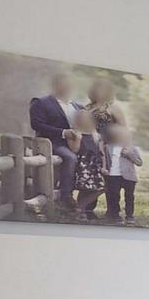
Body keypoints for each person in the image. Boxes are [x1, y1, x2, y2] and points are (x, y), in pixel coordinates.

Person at [27, 74, 80, 203]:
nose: (67, 87)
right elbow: (37, 124)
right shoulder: (41, 102)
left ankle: (86, 201)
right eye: (63, 84)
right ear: (55, 85)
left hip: (76, 144)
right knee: (70, 157)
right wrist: (63, 133)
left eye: (69, 84)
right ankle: (66, 197)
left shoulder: (77, 106)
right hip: (51, 143)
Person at [66, 108, 105, 219]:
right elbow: (74, 150)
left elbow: (100, 151)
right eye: (81, 117)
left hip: (94, 166)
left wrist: (103, 165)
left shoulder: (95, 134)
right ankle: (81, 212)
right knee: (84, 189)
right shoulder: (73, 133)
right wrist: (78, 139)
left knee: (102, 187)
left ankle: (80, 208)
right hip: (83, 166)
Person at [102, 123, 142, 225]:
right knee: (114, 196)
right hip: (113, 175)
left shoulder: (131, 148)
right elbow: (104, 159)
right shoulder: (108, 147)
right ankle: (115, 215)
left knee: (129, 196)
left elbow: (139, 162)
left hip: (129, 176)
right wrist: (104, 169)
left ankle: (129, 215)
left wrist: (129, 154)